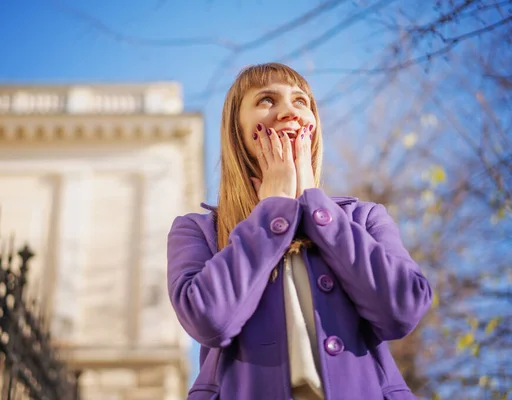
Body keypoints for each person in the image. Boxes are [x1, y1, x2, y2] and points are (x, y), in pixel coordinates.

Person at [166, 62, 433, 399]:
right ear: (236, 129)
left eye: (300, 101)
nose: (288, 112)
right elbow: (208, 319)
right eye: (266, 100)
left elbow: (402, 309)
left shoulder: (364, 219)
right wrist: (272, 210)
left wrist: (316, 207)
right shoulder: (197, 230)